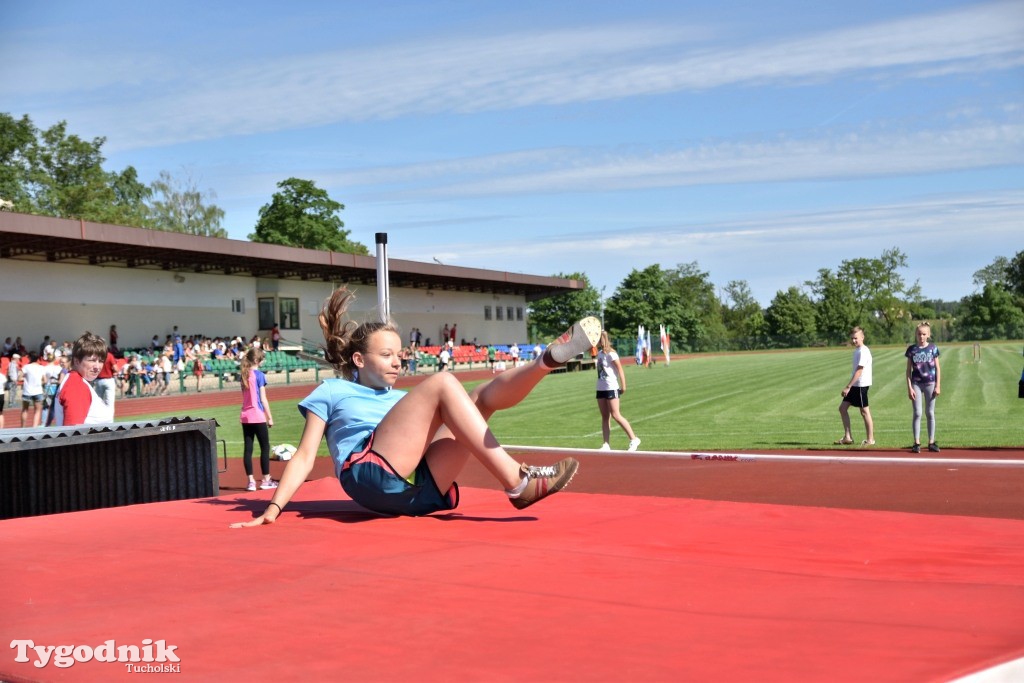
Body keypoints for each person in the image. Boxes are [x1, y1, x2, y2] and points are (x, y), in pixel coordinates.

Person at [231, 286, 599, 527]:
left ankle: (545, 362)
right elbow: (305, 456)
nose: (397, 362)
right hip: (368, 476)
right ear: (358, 360)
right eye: (387, 355)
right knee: (442, 382)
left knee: (480, 399)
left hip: (417, 491)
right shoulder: (333, 390)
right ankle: (519, 482)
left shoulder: (401, 403)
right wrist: (273, 509)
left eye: (400, 355)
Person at [53, 332, 115, 426]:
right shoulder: (76, 385)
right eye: (92, 360)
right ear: (76, 361)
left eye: (101, 361)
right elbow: (73, 433)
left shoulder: (75, 381)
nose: (97, 367)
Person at [595, 331, 641, 452]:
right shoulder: (599, 354)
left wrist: (623, 386)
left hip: (611, 387)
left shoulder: (612, 354)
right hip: (600, 387)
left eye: (597, 340)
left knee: (616, 415)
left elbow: (620, 370)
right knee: (605, 416)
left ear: (602, 340)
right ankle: (606, 444)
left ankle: (634, 439)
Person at [239, 346, 277, 491]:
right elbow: (263, 399)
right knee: (264, 447)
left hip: (245, 416)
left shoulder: (243, 375)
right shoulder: (260, 375)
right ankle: (266, 479)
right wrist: (270, 417)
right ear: (256, 360)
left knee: (248, 449)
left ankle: (251, 482)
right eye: (261, 359)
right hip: (257, 415)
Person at [906, 322, 941, 453]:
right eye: (919, 334)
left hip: (930, 383)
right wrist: (909, 387)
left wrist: (938, 385)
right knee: (917, 413)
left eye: (924, 334)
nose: (921, 337)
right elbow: (908, 371)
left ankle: (931, 442)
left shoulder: (933, 348)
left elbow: (937, 368)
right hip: (916, 383)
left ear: (928, 335)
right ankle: (916, 442)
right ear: (916, 334)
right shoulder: (912, 349)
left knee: (930, 413)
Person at [836, 326, 874, 446]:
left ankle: (870, 439)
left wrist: (848, 386)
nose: (854, 341)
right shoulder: (857, 350)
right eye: (852, 338)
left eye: (856, 338)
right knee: (842, 409)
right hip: (855, 385)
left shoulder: (863, 351)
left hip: (860, 385)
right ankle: (848, 437)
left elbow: (859, 370)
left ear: (862, 337)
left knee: (864, 411)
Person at [20, 352, 48, 427]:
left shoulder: (26, 367)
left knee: (25, 410)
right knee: (37, 411)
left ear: (30, 358)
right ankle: (34, 428)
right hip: (38, 391)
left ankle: (22, 427)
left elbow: (19, 377)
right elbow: (45, 380)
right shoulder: (41, 367)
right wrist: (39, 382)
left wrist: (25, 378)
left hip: (27, 391)